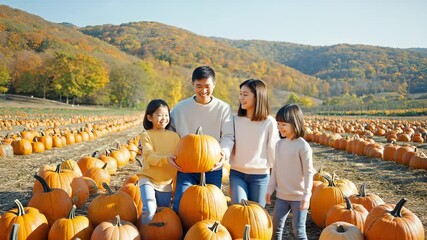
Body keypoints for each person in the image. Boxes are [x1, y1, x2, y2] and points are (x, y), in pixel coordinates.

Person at [169, 65, 234, 213]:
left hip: (212, 166)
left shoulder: (223, 108)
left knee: (211, 208)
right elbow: (169, 133)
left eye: (207, 86)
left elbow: (228, 136)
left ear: (214, 84)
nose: (203, 91)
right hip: (186, 166)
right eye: (199, 86)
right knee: (181, 203)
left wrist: (224, 152)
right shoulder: (180, 108)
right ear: (192, 84)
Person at [265, 104, 315, 240]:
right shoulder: (279, 145)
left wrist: (306, 195)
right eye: (278, 124)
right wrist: (270, 189)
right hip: (281, 196)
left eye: (284, 125)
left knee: (298, 231)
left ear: (295, 124)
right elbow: (275, 168)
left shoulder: (303, 146)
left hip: (299, 198)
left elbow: (308, 172)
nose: (280, 128)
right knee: (275, 229)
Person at [229, 79, 280, 207]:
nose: (241, 98)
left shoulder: (269, 122)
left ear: (258, 96)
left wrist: (276, 179)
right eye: (240, 94)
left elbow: (273, 152)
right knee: (239, 210)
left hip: (260, 176)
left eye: (245, 94)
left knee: (257, 214)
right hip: (237, 174)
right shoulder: (235, 120)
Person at [137, 99, 180, 225]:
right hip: (148, 178)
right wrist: (166, 159)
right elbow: (149, 156)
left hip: (165, 183)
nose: (164, 118)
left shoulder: (174, 136)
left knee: (163, 213)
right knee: (149, 210)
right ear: (150, 117)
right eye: (159, 115)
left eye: (166, 115)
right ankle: (143, 233)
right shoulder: (146, 135)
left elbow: (181, 155)